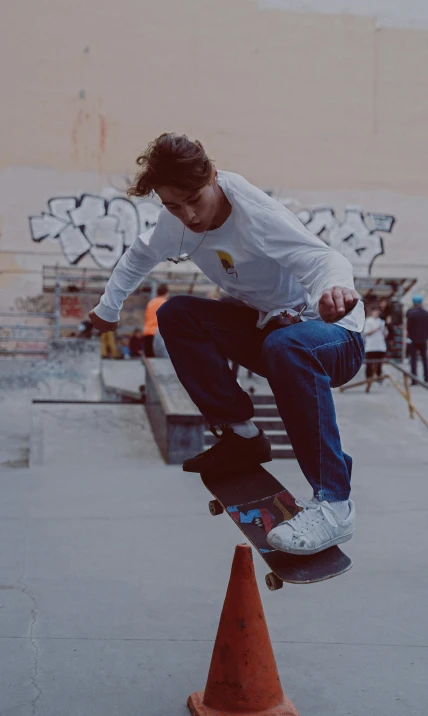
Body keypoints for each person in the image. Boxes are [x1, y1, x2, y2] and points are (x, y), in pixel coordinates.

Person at [88, 132, 364, 555]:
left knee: (287, 345)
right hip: (272, 331)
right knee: (175, 314)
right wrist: (109, 307)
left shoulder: (258, 215)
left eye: (195, 200)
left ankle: (335, 504)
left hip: (334, 338)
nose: (189, 216)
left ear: (213, 177)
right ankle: (242, 436)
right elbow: (138, 256)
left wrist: (336, 291)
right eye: (173, 206)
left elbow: (326, 259)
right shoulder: (175, 222)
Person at [406, 294, 428, 384]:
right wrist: (427, 337)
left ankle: (414, 379)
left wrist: (410, 336)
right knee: (425, 359)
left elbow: (409, 327)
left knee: (413, 360)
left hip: (413, 340)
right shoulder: (427, 313)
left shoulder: (411, 313)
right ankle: (426, 378)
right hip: (423, 339)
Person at [143, 283, 170, 357]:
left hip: (147, 332)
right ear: (167, 293)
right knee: (159, 361)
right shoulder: (165, 303)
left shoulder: (150, 303)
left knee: (149, 359)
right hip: (158, 334)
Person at [363, 305, 386, 382]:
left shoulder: (381, 321)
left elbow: (385, 334)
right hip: (371, 346)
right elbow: (366, 333)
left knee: (379, 363)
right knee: (370, 363)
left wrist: (384, 329)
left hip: (380, 345)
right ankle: (368, 376)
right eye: (375, 311)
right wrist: (376, 329)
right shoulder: (368, 321)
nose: (376, 313)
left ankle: (378, 375)